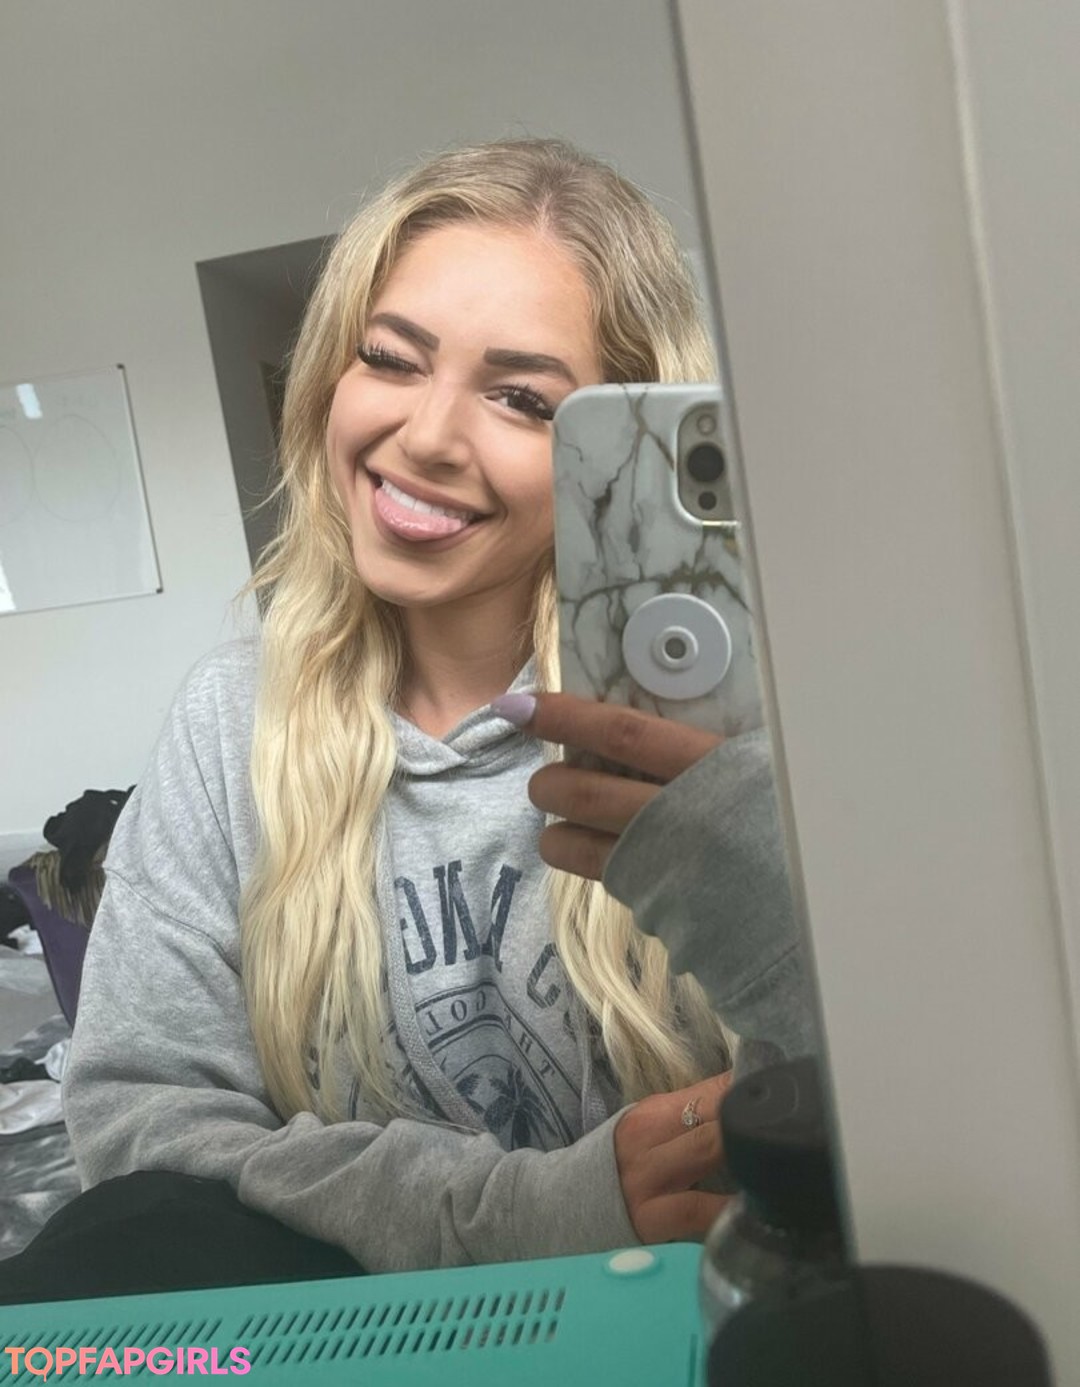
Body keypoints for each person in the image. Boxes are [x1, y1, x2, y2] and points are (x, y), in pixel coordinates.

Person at [3, 138, 813, 1302]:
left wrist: (753, 874)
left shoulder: (735, 727)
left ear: (614, 446)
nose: (427, 436)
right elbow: (142, 1125)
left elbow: (904, 1118)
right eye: (391, 358)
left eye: (522, 398)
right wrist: (526, 1213)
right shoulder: (232, 721)